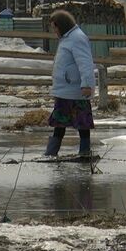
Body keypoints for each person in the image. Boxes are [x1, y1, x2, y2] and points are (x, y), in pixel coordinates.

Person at [44, 10, 96, 157]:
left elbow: (85, 63)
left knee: (82, 123)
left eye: (55, 27)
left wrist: (86, 85)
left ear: (61, 25)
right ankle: (51, 153)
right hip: (65, 90)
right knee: (59, 122)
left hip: (76, 91)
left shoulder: (77, 38)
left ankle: (84, 152)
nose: (54, 31)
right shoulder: (67, 39)